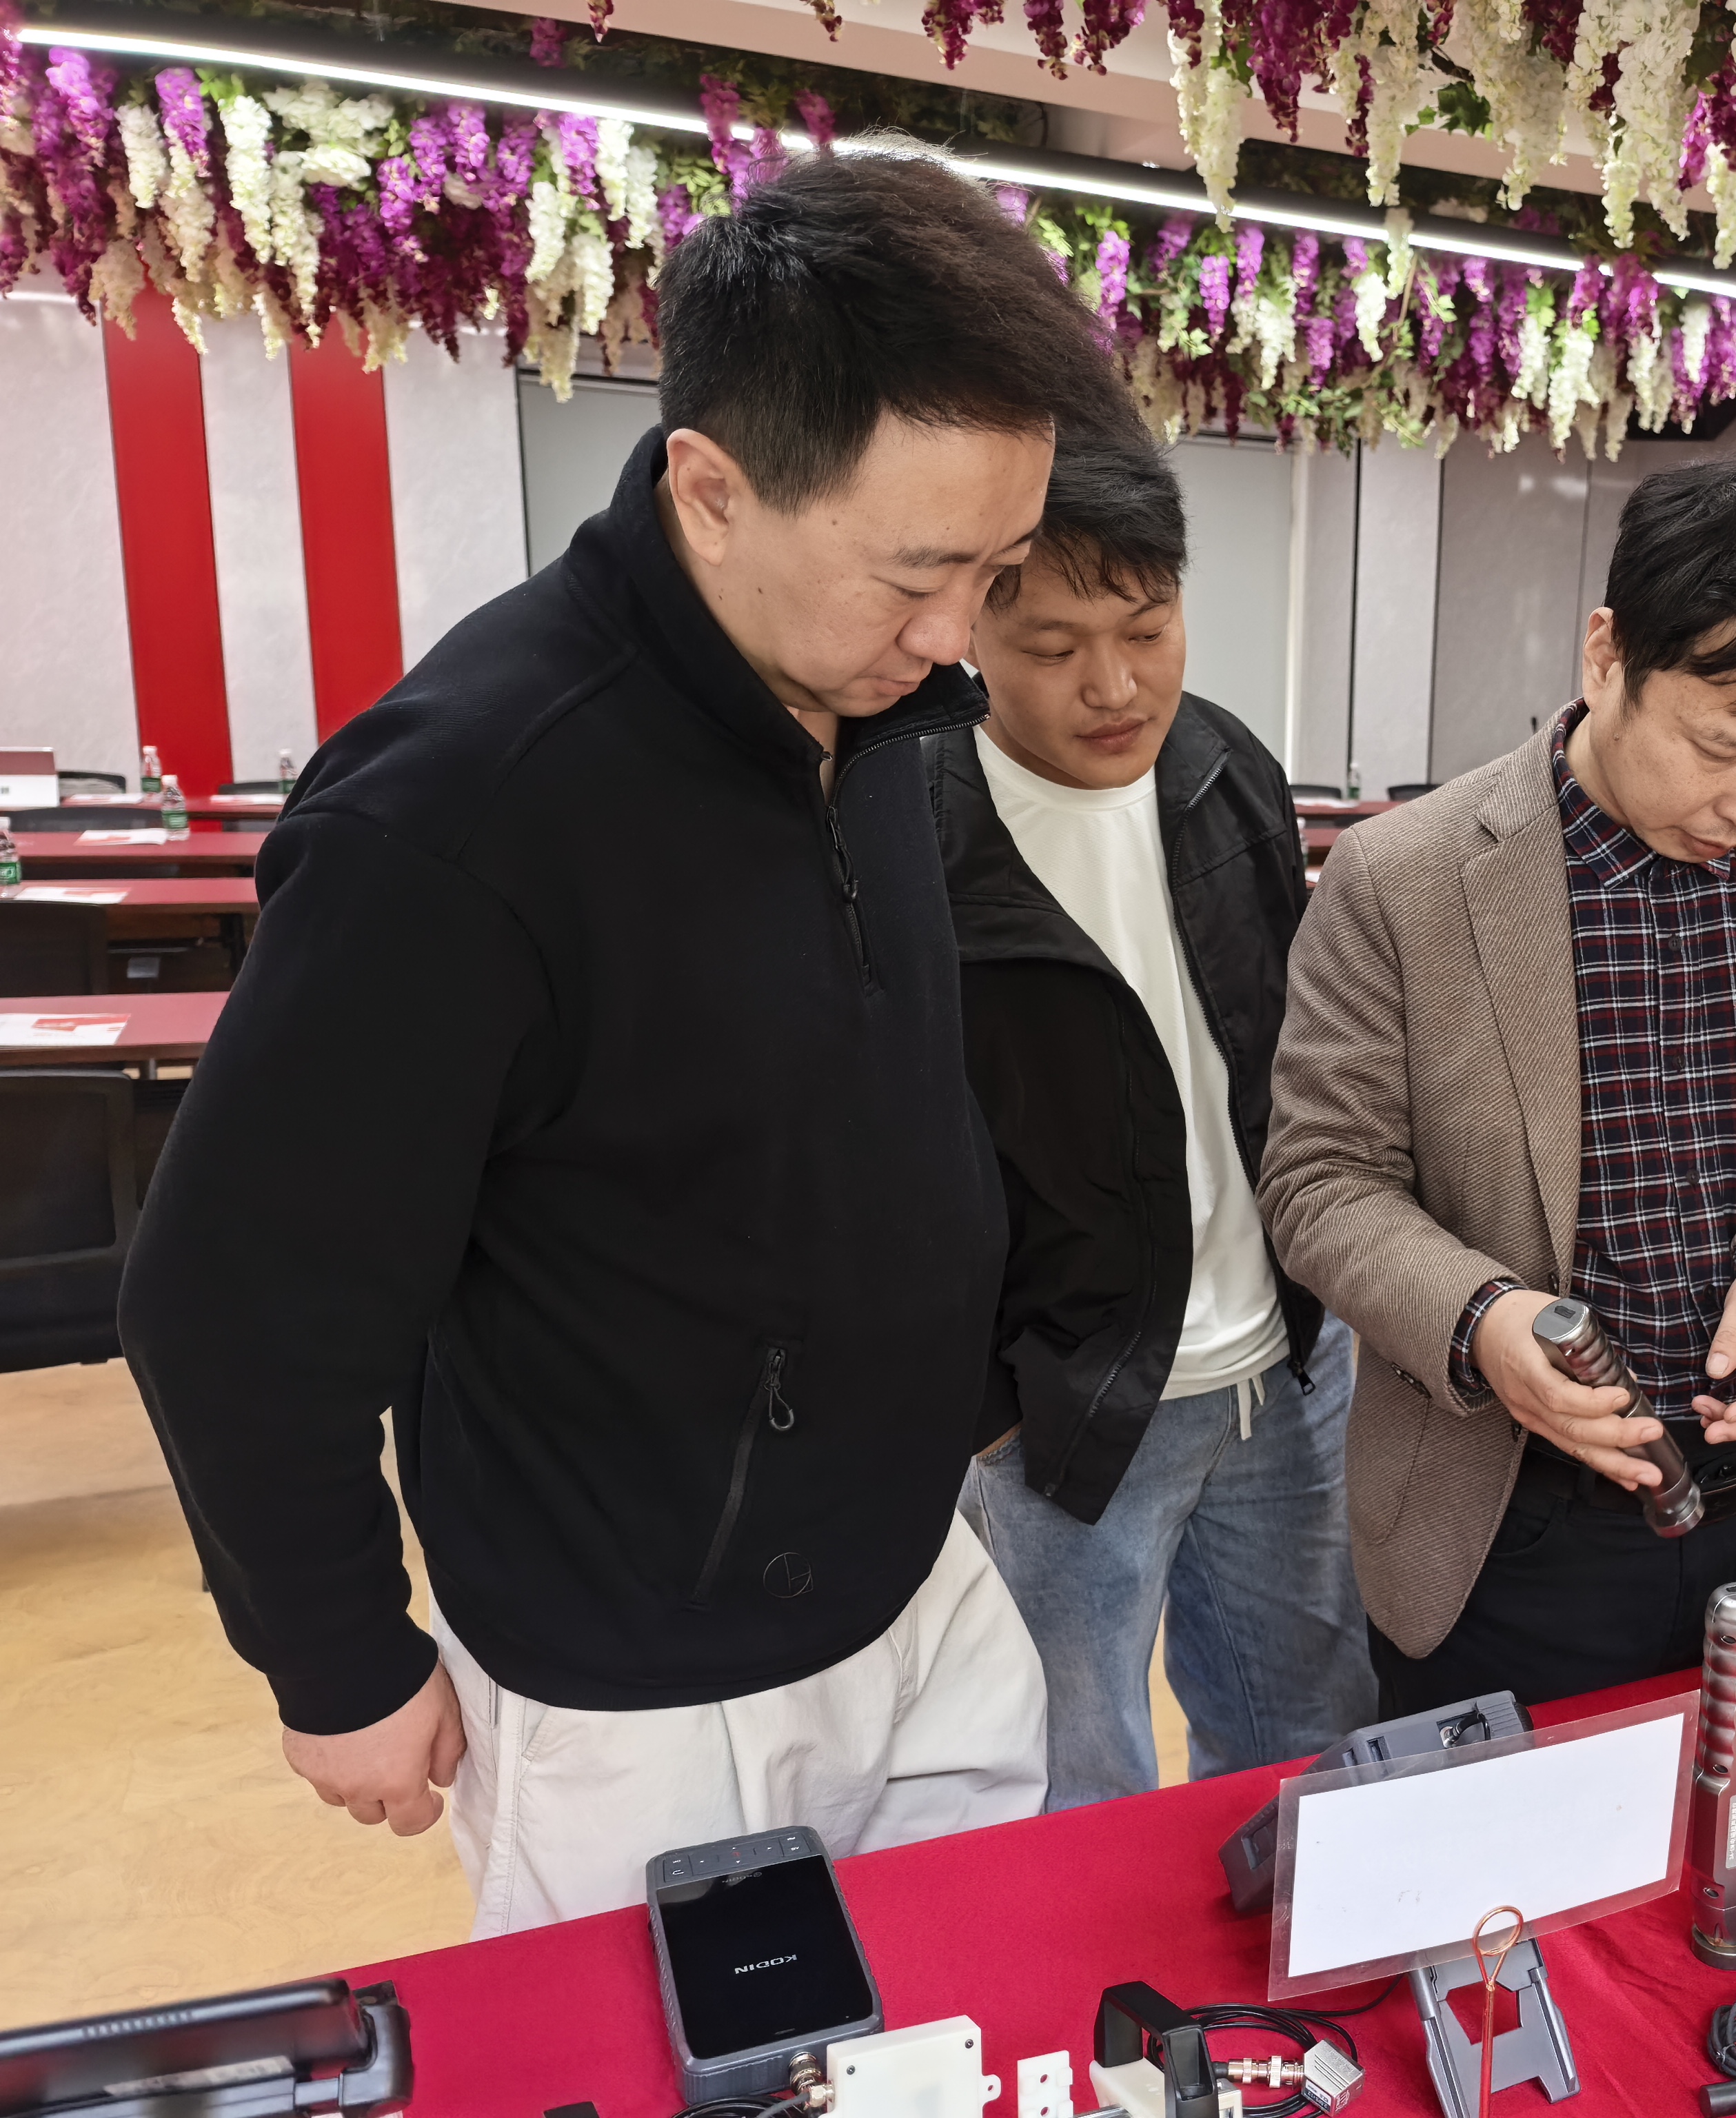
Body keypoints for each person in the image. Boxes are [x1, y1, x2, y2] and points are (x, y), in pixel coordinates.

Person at [119, 150, 1143, 1935]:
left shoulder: (867, 703)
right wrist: (336, 1657)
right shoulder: (459, 816)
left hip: (916, 1582)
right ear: (712, 492)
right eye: (917, 573)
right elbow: (230, 1299)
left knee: (956, 2021)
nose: (955, 639)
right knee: (660, 2057)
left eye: (994, 568)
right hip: (645, 1680)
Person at [1262, 455, 1736, 1715]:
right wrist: (1484, 1321)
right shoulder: (1403, 881)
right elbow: (1321, 1181)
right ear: (1606, 656)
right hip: (1507, 1522)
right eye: (1719, 746)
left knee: (1728, 1812)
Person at [936, 432, 1375, 1808]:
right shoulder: (910, 826)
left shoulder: (1221, 766)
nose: (1115, 684)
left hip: (1283, 1371)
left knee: (1302, 1740)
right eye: (1055, 645)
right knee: (1073, 1775)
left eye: (1146, 627)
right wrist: (985, 1408)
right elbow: (886, 1160)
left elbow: (1293, 1052)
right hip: (1065, 1410)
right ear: (969, 625)